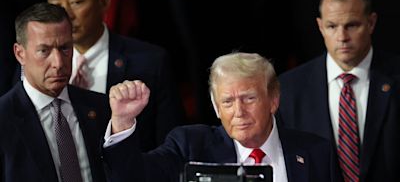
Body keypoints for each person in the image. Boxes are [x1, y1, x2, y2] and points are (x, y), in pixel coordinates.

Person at [102, 52, 335, 182]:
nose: (239, 112)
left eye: (249, 98)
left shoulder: (316, 153)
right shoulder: (190, 147)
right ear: (216, 107)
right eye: (227, 102)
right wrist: (122, 122)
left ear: (273, 100)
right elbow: (133, 177)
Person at [45, 0, 184, 151]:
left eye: (76, 2)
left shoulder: (150, 63)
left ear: (104, 1)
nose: (66, 15)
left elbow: (170, 147)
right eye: (56, 6)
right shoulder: (35, 64)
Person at [277, 0, 400, 182]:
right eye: (332, 26)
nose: (342, 37)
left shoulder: (395, 77)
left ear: (371, 23)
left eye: (351, 25)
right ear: (320, 27)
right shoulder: (290, 89)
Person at [0, 3, 109, 181]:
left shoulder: (100, 107)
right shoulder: (4, 119)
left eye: (65, 48)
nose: (58, 63)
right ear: (20, 54)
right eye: (44, 51)